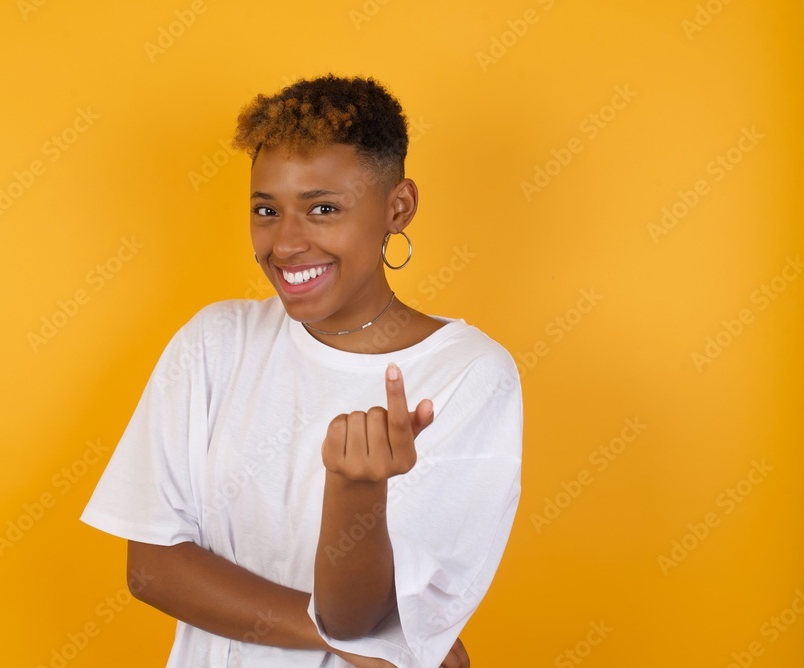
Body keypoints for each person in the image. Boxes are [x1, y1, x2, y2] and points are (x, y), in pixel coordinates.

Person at [80, 73, 523, 668]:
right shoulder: (217, 342)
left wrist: (355, 491)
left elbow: (354, 612)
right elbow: (153, 569)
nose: (285, 244)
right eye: (267, 210)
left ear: (399, 207)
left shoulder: (469, 376)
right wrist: (358, 643)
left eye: (322, 209)